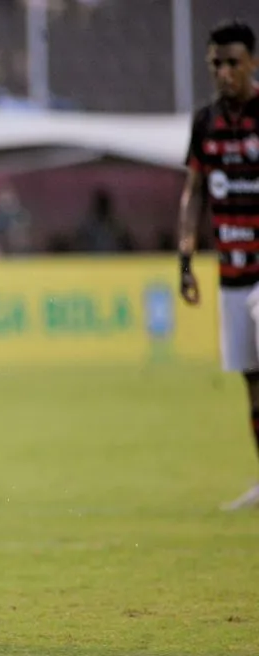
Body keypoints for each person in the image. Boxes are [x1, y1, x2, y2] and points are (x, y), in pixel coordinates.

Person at [179, 20, 259, 510]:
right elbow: (193, 193)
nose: (224, 72)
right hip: (230, 274)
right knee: (252, 385)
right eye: (216, 64)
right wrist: (185, 258)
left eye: (233, 62)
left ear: (252, 62)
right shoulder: (205, 123)